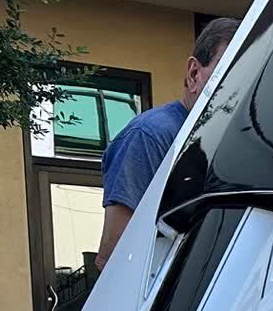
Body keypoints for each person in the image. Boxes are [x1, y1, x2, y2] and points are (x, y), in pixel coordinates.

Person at [94, 16, 240, 270]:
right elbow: (114, 255)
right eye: (227, 71)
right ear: (194, 74)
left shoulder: (228, 143)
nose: (237, 85)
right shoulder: (150, 135)